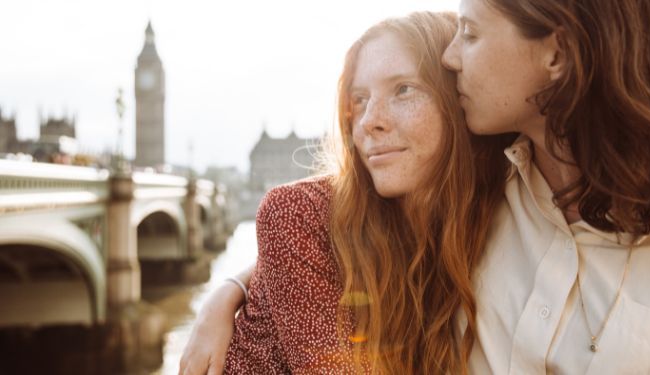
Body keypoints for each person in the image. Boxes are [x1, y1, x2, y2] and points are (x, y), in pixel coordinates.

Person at [182, 0, 650, 373]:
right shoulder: (503, 184)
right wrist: (229, 291)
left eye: (470, 35)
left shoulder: (486, 188)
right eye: (359, 100)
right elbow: (307, 229)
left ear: (557, 55)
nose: (454, 58)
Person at [183, 11, 508, 374]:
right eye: (360, 99)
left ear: (457, 98)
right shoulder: (296, 211)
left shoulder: (497, 211)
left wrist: (231, 287)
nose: (370, 120)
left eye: (403, 89)